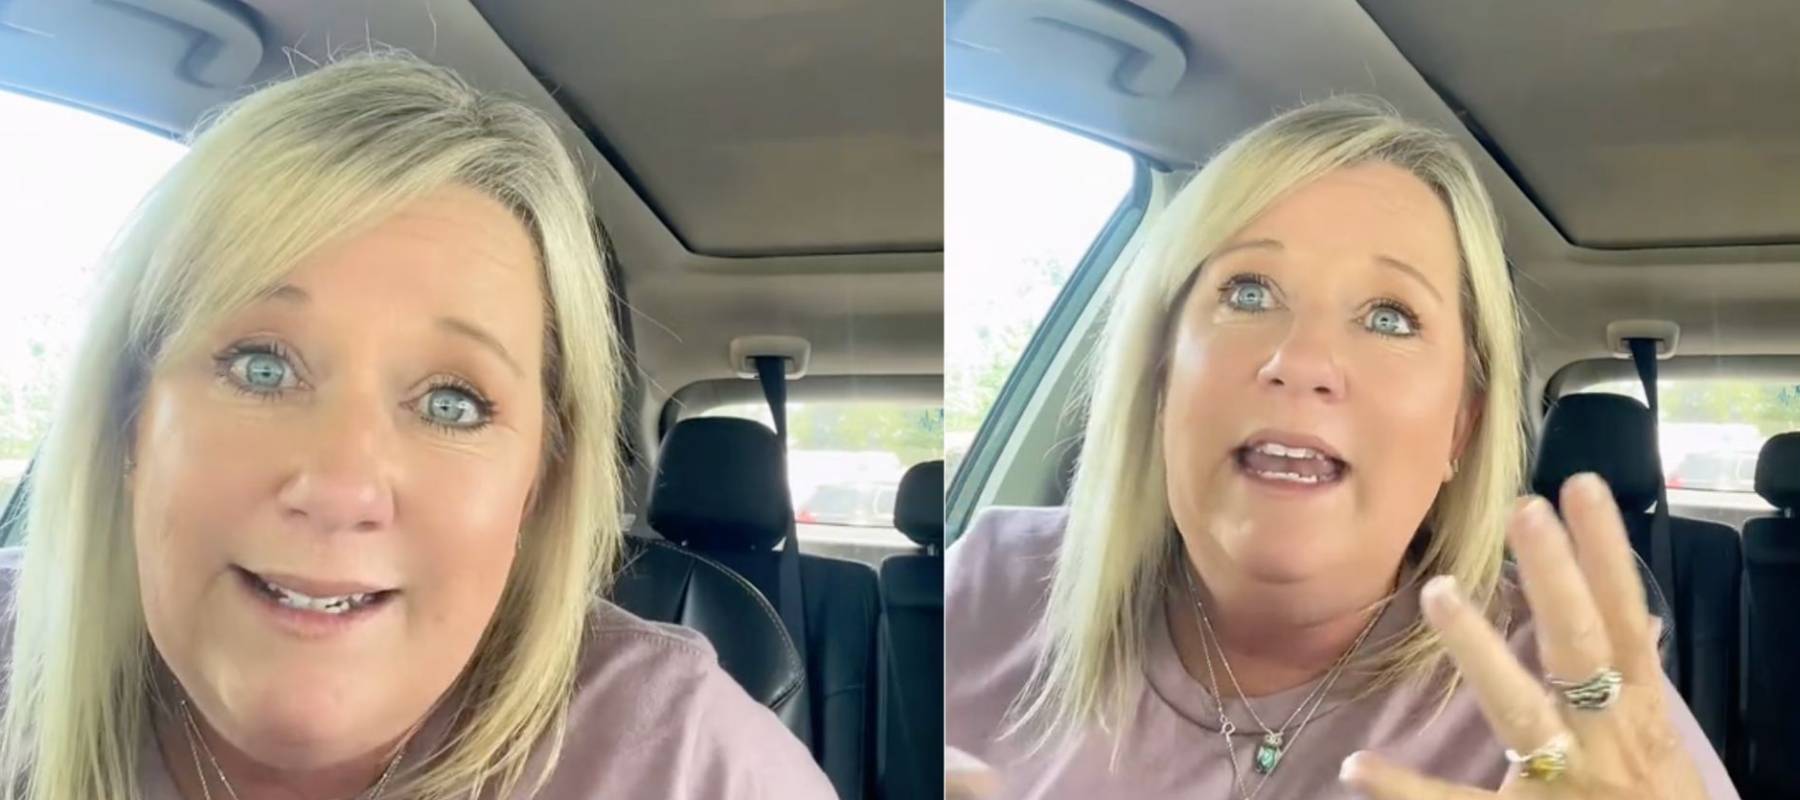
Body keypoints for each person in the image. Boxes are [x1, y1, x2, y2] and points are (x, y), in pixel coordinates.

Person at [0, 53, 833, 799]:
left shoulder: (692, 766)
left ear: (537, 485)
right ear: (130, 423)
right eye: (261, 367)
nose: (341, 488)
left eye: (451, 404)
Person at [944, 98, 1738, 799]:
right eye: (1247, 292)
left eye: (1390, 317)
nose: (1301, 361)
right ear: (1159, 376)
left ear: (1460, 426)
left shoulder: (1579, 703)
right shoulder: (989, 586)